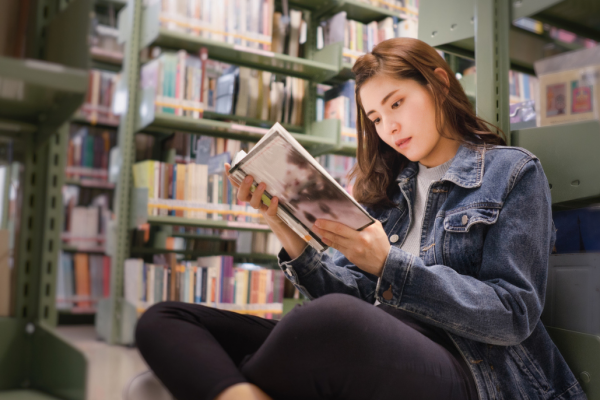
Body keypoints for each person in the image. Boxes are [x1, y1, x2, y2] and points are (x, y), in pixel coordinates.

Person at [135, 38, 586, 400]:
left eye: (396, 103)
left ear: (439, 85)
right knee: (166, 318)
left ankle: (220, 382)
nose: (387, 127)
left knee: (328, 321)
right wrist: (287, 229)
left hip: (473, 368)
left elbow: (513, 315)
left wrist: (388, 264)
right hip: (375, 347)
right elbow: (345, 293)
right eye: (374, 116)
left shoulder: (512, 172)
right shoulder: (385, 192)